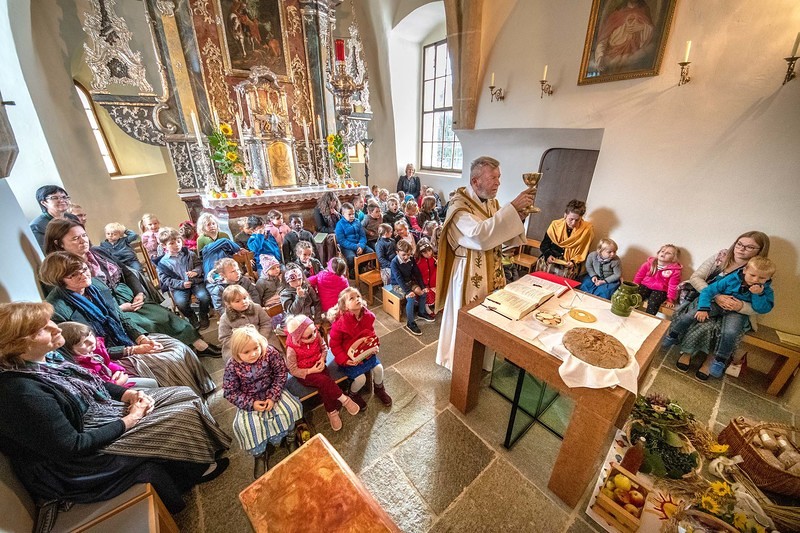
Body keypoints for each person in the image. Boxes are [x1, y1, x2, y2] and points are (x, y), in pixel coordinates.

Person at [0, 302, 231, 513]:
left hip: (100, 414)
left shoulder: (50, 358)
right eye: (42, 329)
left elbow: (95, 382)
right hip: (83, 459)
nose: (55, 328)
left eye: (49, 321)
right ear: (18, 345)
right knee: (179, 414)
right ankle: (197, 468)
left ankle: (203, 452)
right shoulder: (21, 392)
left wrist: (128, 394)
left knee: (184, 393)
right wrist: (131, 419)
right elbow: (73, 446)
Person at [40, 252, 219, 392]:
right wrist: (132, 350)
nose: (83, 275)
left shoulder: (95, 285)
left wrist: (141, 338)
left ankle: (202, 391)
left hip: (126, 339)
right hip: (107, 356)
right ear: (60, 279)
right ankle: (185, 399)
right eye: (74, 274)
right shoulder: (58, 310)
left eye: (84, 269)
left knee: (179, 347)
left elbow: (121, 317)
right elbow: (83, 352)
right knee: (167, 362)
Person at [44, 219, 220, 356]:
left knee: (165, 315)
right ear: (59, 243)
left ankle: (198, 346)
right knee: (149, 324)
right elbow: (89, 308)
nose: (83, 240)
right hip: (113, 307)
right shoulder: (60, 269)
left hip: (128, 295)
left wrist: (139, 293)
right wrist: (119, 308)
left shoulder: (99, 252)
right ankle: (177, 351)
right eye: (75, 238)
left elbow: (127, 273)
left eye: (83, 235)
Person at [435, 156, 533, 370]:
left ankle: (483, 362)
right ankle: (458, 361)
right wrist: (512, 209)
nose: (498, 183)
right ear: (475, 181)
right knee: (468, 317)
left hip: (492, 269)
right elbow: (480, 236)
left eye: (499, 177)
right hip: (468, 273)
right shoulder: (459, 208)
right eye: (493, 178)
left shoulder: (492, 203)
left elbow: (500, 235)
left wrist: (518, 218)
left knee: (489, 315)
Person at [667, 231, 772, 380]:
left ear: (760, 250)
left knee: (728, 331)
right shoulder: (721, 257)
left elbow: (762, 306)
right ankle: (687, 352)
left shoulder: (762, 271)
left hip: (738, 311)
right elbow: (696, 278)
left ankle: (713, 361)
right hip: (709, 300)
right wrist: (716, 297)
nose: (741, 249)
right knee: (703, 322)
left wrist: (740, 306)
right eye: (739, 244)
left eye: (749, 247)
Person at [223, 326, 302, 478]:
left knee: (291, 409)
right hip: (249, 398)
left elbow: (281, 373)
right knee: (246, 426)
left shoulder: (270, 352)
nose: (253, 354)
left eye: (256, 348)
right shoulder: (232, 366)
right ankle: (259, 454)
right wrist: (251, 403)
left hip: (272, 390)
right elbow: (230, 391)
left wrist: (273, 396)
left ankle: (290, 438)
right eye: (246, 352)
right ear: (237, 353)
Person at [284, 314, 360, 432]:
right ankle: (344, 399)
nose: (314, 335)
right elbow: (293, 370)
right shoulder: (292, 349)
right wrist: (311, 371)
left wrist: (322, 359)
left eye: (315, 330)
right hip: (305, 373)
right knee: (324, 381)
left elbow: (324, 348)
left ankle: (331, 412)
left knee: (324, 386)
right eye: (309, 336)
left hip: (319, 365)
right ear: (299, 338)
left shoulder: (315, 335)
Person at [328, 287, 392, 409]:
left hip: (366, 353)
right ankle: (353, 394)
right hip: (350, 359)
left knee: (379, 369)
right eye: (351, 298)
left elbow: (371, 333)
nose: (357, 299)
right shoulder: (340, 324)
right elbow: (335, 345)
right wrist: (345, 360)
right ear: (345, 306)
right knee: (360, 379)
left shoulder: (367, 316)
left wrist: (374, 345)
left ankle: (379, 389)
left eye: (358, 296)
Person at [58, 321, 159, 389]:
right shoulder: (80, 366)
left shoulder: (93, 351)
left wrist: (119, 370)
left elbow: (106, 363)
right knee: (151, 384)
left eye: (90, 335)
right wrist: (116, 384)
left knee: (152, 382)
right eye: (83, 342)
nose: (92, 342)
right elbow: (97, 386)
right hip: (112, 388)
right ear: (69, 350)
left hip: (114, 378)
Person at [156, 227, 212, 329]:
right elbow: (165, 279)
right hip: (179, 287)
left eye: (178, 241)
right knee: (181, 303)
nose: (176, 245)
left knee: (204, 297)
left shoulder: (190, 254)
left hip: (195, 282)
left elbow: (199, 265)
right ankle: (191, 317)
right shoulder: (163, 263)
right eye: (172, 243)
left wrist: (195, 272)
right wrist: (181, 284)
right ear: (164, 246)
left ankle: (203, 314)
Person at [592, 0, 655, 74]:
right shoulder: (616, 14)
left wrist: (643, 27)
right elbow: (604, 37)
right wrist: (600, 56)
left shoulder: (644, 11)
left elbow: (653, 33)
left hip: (634, 58)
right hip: (612, 56)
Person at [536, 199, 594, 279]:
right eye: (571, 219)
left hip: (571, 261)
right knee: (543, 270)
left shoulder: (586, 229)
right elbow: (544, 245)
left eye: (577, 220)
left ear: (581, 218)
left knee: (566, 275)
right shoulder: (555, 225)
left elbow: (584, 251)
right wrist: (548, 255)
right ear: (565, 215)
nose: (573, 223)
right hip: (552, 256)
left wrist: (573, 262)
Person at [390, 239, 434, 336]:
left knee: (423, 293)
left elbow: (417, 273)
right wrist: (408, 291)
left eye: (408, 254)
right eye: (404, 255)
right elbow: (398, 278)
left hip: (409, 282)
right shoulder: (394, 262)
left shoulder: (411, 259)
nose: (406, 257)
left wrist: (422, 286)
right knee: (411, 297)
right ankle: (410, 323)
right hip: (398, 285)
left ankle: (421, 312)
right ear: (397, 252)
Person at [218, 285, 271, 360]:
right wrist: (241, 345)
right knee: (235, 359)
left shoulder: (257, 308)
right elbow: (225, 338)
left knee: (270, 351)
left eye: (245, 298)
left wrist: (260, 338)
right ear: (228, 304)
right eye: (237, 301)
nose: (243, 302)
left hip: (260, 337)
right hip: (239, 345)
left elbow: (266, 323)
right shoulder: (225, 318)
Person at [633, 243, 683, 315]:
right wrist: (634, 285)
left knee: (654, 302)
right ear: (658, 253)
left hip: (660, 290)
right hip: (645, 285)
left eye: (668, 253)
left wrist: (670, 299)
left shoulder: (675, 271)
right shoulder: (648, 264)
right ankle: (630, 312)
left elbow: (673, 286)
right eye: (662, 251)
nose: (664, 253)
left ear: (674, 258)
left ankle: (649, 318)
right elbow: (639, 275)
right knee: (636, 296)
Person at [335, 202, 373, 275]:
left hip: (359, 244)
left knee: (370, 252)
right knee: (351, 258)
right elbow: (342, 241)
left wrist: (361, 246)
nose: (352, 216)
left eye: (353, 214)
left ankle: (360, 267)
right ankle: (352, 270)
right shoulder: (339, 224)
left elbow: (363, 236)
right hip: (347, 247)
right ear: (343, 214)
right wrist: (356, 247)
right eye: (349, 214)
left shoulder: (357, 221)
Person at [30, 185, 71, 251]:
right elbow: (47, 252)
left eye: (64, 197)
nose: (61, 200)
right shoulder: (37, 226)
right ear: (44, 203)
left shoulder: (72, 218)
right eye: (55, 198)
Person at [416, 238, 437, 314]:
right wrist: (423, 286)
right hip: (423, 284)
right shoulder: (418, 261)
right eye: (425, 252)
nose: (428, 254)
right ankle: (426, 306)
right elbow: (417, 276)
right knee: (427, 293)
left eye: (429, 250)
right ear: (420, 253)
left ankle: (436, 304)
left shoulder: (434, 258)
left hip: (433, 282)